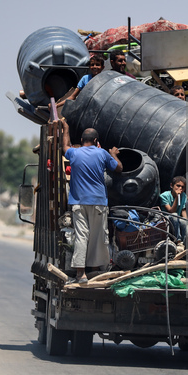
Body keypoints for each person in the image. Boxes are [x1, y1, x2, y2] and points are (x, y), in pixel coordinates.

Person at [59, 118, 123, 283]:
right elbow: (118, 168)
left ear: (81, 140)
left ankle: (81, 274)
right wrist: (113, 154)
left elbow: (64, 147)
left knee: (81, 236)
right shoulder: (102, 154)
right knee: (97, 236)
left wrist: (65, 127)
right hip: (98, 202)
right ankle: (94, 271)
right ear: (96, 141)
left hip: (79, 202)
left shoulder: (74, 153)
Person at [159, 176, 188, 242]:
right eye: (178, 186)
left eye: (182, 187)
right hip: (167, 220)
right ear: (171, 185)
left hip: (178, 218)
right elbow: (171, 211)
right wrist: (177, 197)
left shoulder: (183, 195)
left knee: (184, 221)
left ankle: (185, 241)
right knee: (174, 215)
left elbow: (183, 210)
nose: (180, 188)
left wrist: (187, 221)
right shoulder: (164, 196)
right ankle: (178, 240)